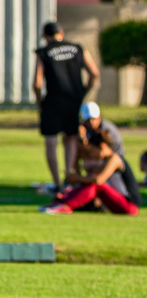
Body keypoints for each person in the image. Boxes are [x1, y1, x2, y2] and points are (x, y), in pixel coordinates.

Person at [32, 22, 99, 195]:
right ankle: (68, 178)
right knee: (70, 138)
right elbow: (94, 73)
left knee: (51, 141)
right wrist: (83, 92)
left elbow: (37, 83)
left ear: (45, 36)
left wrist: (40, 102)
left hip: (52, 101)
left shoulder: (44, 52)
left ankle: (56, 183)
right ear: (61, 33)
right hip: (73, 101)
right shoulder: (78, 49)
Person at [40, 131, 140, 215]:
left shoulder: (115, 159)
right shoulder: (104, 162)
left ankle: (66, 206)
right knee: (90, 183)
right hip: (119, 202)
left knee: (97, 185)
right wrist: (70, 191)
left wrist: (77, 178)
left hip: (130, 206)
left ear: (102, 146)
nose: (91, 155)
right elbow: (90, 178)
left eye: (92, 150)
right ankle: (61, 201)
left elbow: (98, 180)